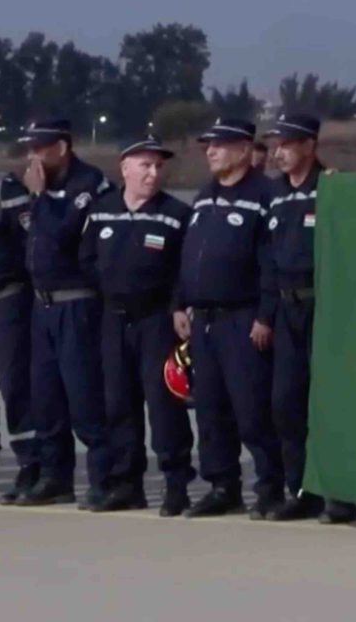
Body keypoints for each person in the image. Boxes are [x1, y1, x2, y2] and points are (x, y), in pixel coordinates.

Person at [78, 135, 196, 516]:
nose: (153, 172)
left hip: (156, 321)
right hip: (114, 321)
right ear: (124, 168)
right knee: (118, 404)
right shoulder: (102, 211)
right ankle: (127, 483)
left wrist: (177, 305)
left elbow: (185, 269)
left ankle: (176, 483)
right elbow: (87, 259)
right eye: (145, 165)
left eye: (159, 166)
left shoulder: (176, 214)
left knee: (164, 404)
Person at [177, 118, 285, 519]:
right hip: (203, 321)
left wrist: (265, 315)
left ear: (243, 150)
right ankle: (223, 486)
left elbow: (272, 263)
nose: (210, 150)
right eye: (208, 144)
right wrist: (178, 303)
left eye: (219, 144)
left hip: (243, 319)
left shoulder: (264, 195)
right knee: (209, 409)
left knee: (252, 409)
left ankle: (271, 486)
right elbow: (188, 255)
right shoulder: (204, 196)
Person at [261, 113, 356, 524]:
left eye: (287, 143)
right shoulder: (275, 194)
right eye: (275, 144)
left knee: (329, 404)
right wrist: (265, 315)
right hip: (286, 310)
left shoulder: (331, 187)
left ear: (309, 145)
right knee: (286, 403)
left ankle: (339, 492)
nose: (278, 152)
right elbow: (266, 260)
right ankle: (301, 489)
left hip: (324, 306)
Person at [15, 119, 115, 509]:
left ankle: (104, 479)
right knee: (47, 399)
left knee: (84, 397)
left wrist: (39, 198)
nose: (33, 157)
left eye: (40, 148)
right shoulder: (42, 187)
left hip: (78, 303)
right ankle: (55, 478)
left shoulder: (87, 185)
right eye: (30, 148)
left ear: (62, 147)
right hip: (42, 304)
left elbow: (62, 236)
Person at [0, 168, 39, 504]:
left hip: (7, 299)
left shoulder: (7, 190)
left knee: (16, 386)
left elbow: (30, 242)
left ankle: (31, 464)